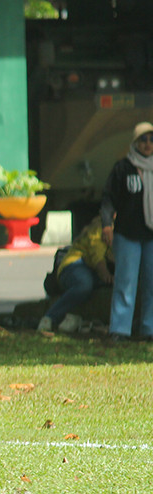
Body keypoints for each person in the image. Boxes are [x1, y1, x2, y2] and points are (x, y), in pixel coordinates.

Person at [100, 121, 153, 342]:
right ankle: (120, 330)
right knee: (126, 282)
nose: (148, 144)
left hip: (151, 237)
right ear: (135, 142)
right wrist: (106, 224)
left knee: (151, 284)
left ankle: (149, 329)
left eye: (151, 139)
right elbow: (108, 199)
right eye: (143, 139)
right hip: (128, 234)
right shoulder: (123, 168)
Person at [38, 217, 114, 334]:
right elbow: (97, 255)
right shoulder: (100, 227)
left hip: (94, 271)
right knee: (83, 285)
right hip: (75, 264)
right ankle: (50, 317)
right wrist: (105, 274)